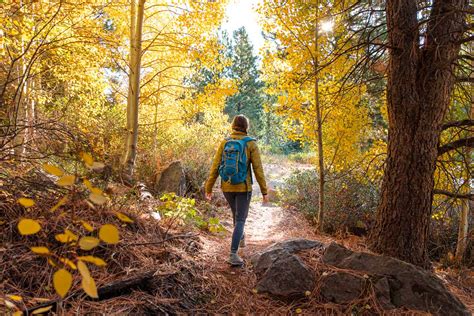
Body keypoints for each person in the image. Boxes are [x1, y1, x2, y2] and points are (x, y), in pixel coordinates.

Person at [205, 114, 269, 266]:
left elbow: (215, 167)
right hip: (243, 187)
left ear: (233, 125)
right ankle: (233, 254)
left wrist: (209, 187)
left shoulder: (224, 142)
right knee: (240, 219)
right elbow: (258, 169)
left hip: (226, 186)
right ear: (246, 127)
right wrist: (264, 191)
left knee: (236, 214)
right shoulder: (250, 144)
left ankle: (240, 238)